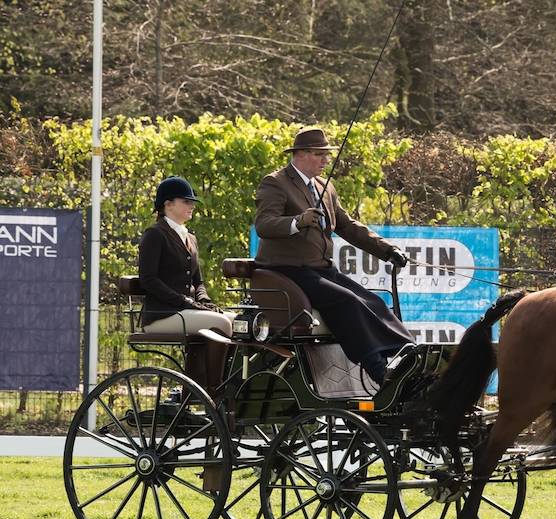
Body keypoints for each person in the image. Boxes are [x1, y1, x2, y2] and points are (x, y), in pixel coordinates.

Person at [253, 126, 414, 386]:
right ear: (301, 154)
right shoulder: (276, 182)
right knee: (347, 300)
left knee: (374, 301)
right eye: (320, 154)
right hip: (287, 270)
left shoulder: (324, 187)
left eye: (327, 155)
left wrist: (387, 250)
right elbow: (264, 224)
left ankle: (407, 356)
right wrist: (298, 221)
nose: (326, 160)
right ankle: (379, 372)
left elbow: (347, 226)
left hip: (320, 270)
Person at [139, 176, 233, 395]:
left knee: (237, 322)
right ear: (168, 204)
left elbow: (198, 281)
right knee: (220, 323)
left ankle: (206, 386)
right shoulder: (155, 234)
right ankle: (213, 389)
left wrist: (205, 302)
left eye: (192, 202)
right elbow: (148, 280)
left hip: (186, 310)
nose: (192, 206)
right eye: (186, 201)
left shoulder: (190, 238)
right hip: (162, 314)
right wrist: (185, 302)